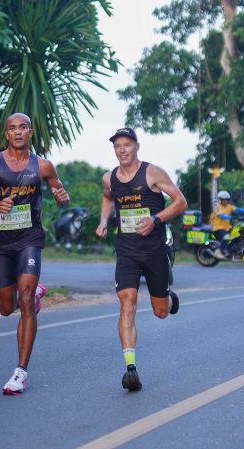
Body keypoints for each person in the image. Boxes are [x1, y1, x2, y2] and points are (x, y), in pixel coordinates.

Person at [0, 112, 69, 395]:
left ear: (30, 132)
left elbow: (60, 193)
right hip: (2, 243)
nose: (17, 132)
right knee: (5, 308)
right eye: (12, 128)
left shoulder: (43, 166)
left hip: (30, 238)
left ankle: (20, 373)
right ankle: (35, 293)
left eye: (22, 127)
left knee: (24, 300)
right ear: (6, 134)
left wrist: (63, 199)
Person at [96, 127, 188, 391]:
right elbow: (106, 198)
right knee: (127, 302)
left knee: (160, 312)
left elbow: (180, 201)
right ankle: (130, 368)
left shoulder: (152, 173)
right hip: (126, 250)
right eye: (117, 146)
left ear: (137, 146)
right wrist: (104, 220)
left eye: (126, 145)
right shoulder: (109, 178)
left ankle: (169, 297)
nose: (121, 150)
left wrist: (155, 219)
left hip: (155, 249)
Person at [211, 190, 237, 260]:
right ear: (220, 200)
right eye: (223, 200)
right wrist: (231, 217)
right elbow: (221, 216)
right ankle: (218, 252)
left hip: (226, 228)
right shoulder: (217, 207)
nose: (225, 201)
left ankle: (228, 252)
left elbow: (237, 210)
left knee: (236, 235)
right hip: (217, 228)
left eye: (227, 200)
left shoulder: (229, 206)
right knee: (226, 237)